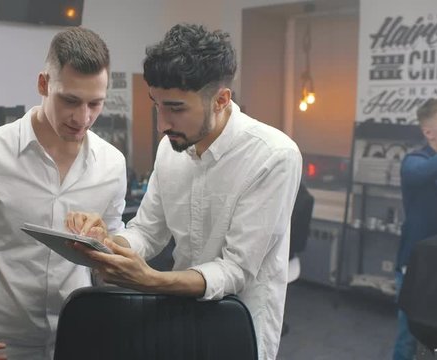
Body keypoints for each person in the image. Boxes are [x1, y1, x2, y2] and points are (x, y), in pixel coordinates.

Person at [67, 24, 302, 360]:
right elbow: (148, 230)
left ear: (221, 100)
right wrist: (108, 245)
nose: (162, 124)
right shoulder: (170, 149)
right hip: (178, 314)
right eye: (157, 106)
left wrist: (149, 280)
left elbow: (235, 271)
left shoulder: (273, 156)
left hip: (240, 327)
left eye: (176, 109)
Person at [0, 27, 127, 360]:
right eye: (70, 101)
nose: (83, 117)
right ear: (44, 84)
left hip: (80, 334)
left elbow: (114, 242)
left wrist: (106, 245)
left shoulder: (111, 164)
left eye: (95, 103)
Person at [393, 98, 437, 360]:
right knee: (409, 337)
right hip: (419, 267)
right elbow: (421, 172)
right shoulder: (414, 162)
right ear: (429, 132)